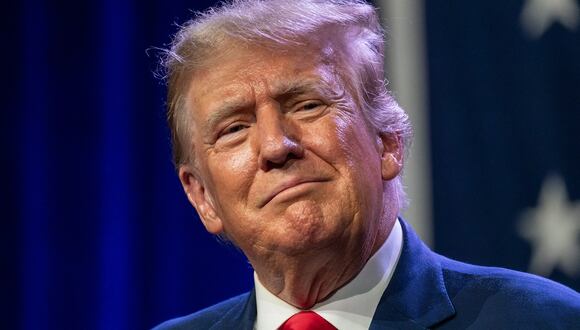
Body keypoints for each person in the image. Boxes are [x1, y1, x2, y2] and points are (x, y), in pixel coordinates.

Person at [154, 0, 580, 329]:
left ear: (387, 143)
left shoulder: (543, 320)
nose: (275, 146)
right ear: (202, 196)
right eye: (233, 129)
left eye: (306, 105)